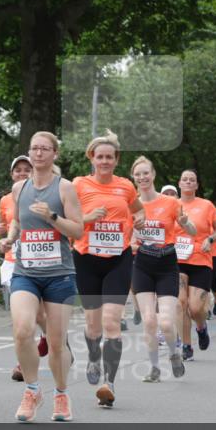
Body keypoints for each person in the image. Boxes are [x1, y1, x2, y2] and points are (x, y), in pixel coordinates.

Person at [0, 131, 82, 421]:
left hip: (59, 273)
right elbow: (18, 223)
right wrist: (9, 239)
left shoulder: (65, 188)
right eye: (34, 148)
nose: (38, 154)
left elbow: (78, 230)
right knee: (22, 330)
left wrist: (52, 218)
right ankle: (32, 390)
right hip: (26, 271)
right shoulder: (19, 189)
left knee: (57, 342)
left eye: (45, 149)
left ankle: (61, 393)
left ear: (54, 154)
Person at [72, 130, 144, 408]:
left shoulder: (125, 186)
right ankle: (93, 357)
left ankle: (109, 382)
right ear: (92, 158)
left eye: (109, 157)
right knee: (93, 326)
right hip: (87, 258)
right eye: (99, 156)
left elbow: (139, 210)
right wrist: (87, 218)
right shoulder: (78, 184)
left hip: (118, 259)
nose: (104, 161)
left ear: (116, 160)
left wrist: (138, 219)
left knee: (112, 322)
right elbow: (67, 216)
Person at [130, 156, 193, 382]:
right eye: (138, 175)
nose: (142, 178)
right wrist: (132, 239)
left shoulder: (170, 203)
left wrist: (185, 223)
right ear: (133, 178)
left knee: (166, 322)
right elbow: (126, 238)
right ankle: (154, 368)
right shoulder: (131, 205)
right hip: (143, 264)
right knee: (149, 321)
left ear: (153, 175)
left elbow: (193, 231)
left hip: (167, 264)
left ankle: (174, 354)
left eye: (146, 173)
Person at [0, 155, 49, 382]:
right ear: (11, 174)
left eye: (26, 169)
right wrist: (2, 233)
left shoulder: (44, 195)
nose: (22, 173)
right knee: (20, 317)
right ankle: (22, 362)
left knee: (38, 313)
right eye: (17, 170)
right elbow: (6, 225)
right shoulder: (6, 200)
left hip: (38, 260)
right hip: (13, 261)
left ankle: (53, 337)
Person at [175, 169, 216, 361]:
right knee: (181, 303)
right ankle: (187, 345)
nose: (188, 182)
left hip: (201, 259)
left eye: (191, 180)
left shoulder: (207, 205)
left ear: (196, 185)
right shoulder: (171, 205)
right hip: (176, 260)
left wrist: (210, 239)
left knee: (195, 308)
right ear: (179, 183)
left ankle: (201, 328)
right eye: (184, 179)